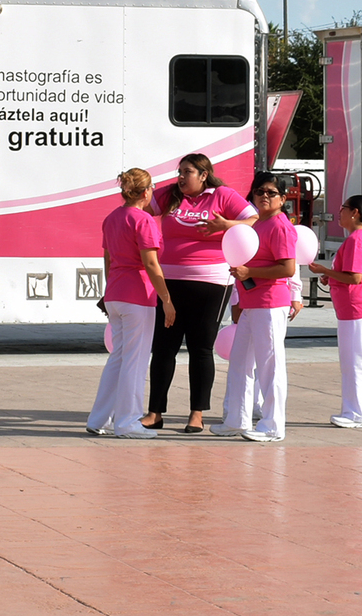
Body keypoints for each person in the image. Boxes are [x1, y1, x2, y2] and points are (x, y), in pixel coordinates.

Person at [141, 153, 257, 435]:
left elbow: (254, 220)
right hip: (169, 283)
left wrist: (226, 225)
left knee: (200, 348)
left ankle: (197, 413)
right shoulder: (171, 194)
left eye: (187, 172)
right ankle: (155, 412)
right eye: (179, 171)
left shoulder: (222, 195)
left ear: (204, 175)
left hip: (212, 284)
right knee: (164, 347)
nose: (181, 177)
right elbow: (140, 208)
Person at [87, 169, 175, 438]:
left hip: (116, 292)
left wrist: (108, 290)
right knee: (135, 361)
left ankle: (100, 419)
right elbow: (151, 263)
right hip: (138, 295)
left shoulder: (112, 218)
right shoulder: (144, 220)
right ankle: (128, 421)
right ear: (146, 191)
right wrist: (167, 299)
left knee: (119, 357)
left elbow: (108, 259)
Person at [211, 173, 299, 442]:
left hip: (270, 303)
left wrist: (249, 272)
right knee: (240, 364)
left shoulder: (280, 226)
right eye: (259, 191)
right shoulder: (258, 224)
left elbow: (288, 268)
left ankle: (273, 426)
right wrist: (241, 289)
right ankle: (236, 420)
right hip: (251, 303)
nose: (264, 196)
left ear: (283, 198)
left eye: (271, 193)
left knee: (270, 367)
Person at [309, 195, 362, 427]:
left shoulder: (356, 239)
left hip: (356, 306)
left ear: (355, 213)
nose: (339, 213)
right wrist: (331, 277)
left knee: (354, 362)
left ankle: (356, 414)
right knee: (352, 361)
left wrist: (325, 271)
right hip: (356, 306)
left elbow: (355, 277)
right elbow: (352, 274)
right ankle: (352, 411)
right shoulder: (361, 237)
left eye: (343, 209)